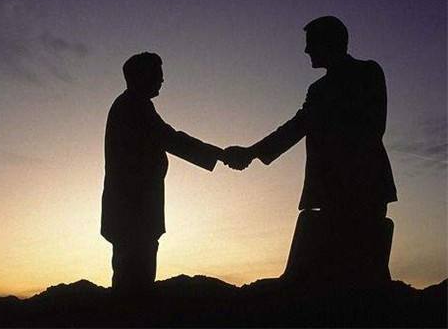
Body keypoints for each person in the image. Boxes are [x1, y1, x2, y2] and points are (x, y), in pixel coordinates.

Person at [224, 16, 397, 286]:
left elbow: (374, 125)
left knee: (362, 265)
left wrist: (253, 152)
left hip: (364, 184)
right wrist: (253, 152)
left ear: (329, 42)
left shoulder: (368, 72)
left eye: (311, 44)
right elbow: (297, 126)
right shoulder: (318, 90)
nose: (306, 50)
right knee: (331, 271)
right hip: (331, 189)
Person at [101, 52, 224, 297]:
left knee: (133, 276)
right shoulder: (134, 106)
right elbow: (169, 138)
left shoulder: (132, 105)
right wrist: (220, 154)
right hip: (134, 210)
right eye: (157, 74)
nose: (162, 80)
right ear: (141, 76)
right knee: (135, 283)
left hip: (132, 210)